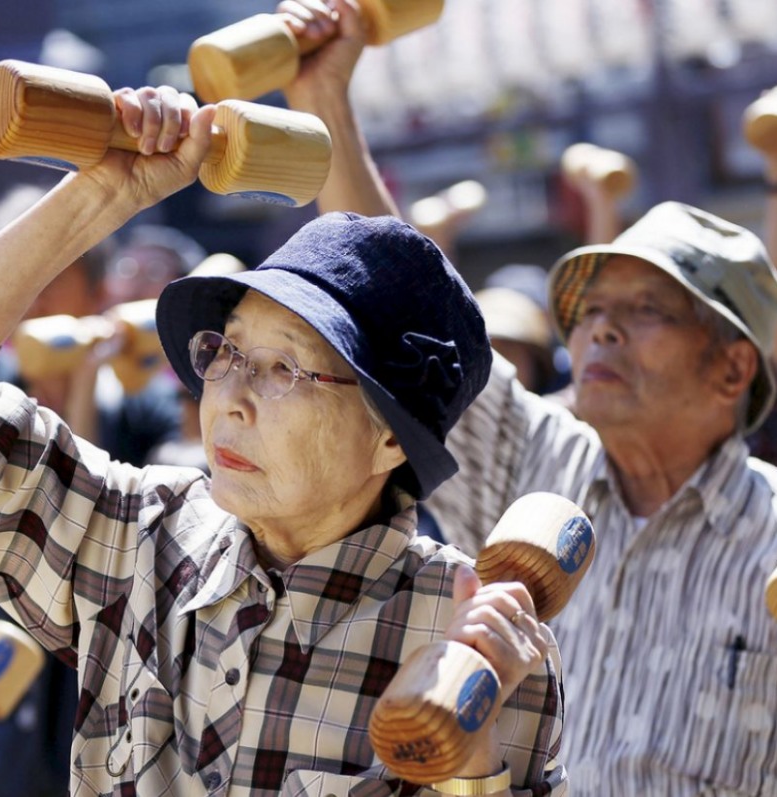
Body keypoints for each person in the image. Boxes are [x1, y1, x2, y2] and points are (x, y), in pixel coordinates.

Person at [0, 77, 567, 795]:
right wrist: (101, 196)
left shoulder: (469, 639)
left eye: (284, 367)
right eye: (224, 351)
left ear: (390, 440)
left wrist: (472, 767)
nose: (228, 397)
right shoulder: (138, 537)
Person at [291, 0, 777, 791]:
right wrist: (324, 102)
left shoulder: (771, 541)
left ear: (730, 371)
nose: (597, 333)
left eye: (644, 310)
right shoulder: (538, 458)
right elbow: (396, 291)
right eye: (588, 313)